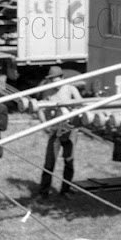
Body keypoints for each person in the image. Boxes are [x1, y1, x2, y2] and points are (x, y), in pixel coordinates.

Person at [38, 66, 82, 199]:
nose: (53, 83)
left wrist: (73, 111)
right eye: (51, 80)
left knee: (69, 161)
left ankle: (65, 190)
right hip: (55, 130)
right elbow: (40, 109)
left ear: (62, 78)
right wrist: (45, 124)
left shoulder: (70, 89)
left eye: (55, 80)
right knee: (49, 162)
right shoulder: (48, 92)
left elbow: (82, 104)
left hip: (70, 130)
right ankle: (44, 192)